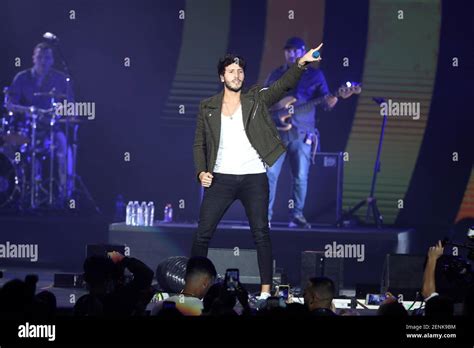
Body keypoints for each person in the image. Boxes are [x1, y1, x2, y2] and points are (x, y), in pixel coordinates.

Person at [192, 44, 324, 299]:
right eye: (231, 71)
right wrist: (201, 173)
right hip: (220, 178)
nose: (237, 75)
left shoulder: (255, 99)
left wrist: (302, 63)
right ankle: (193, 287)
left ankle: (265, 292)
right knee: (202, 233)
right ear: (222, 76)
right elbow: (199, 143)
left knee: (261, 234)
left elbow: (282, 85)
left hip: (253, 177)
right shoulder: (207, 106)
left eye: (240, 71)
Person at [265, 37, 338, 228]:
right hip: (277, 133)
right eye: (288, 50)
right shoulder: (276, 74)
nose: (291, 54)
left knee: (300, 177)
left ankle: (296, 215)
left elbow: (326, 102)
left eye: (295, 50)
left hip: (302, 133)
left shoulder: (315, 75)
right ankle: (265, 217)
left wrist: (332, 101)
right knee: (269, 175)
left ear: (303, 52)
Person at [6, 42, 74, 203]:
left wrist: (59, 114)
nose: (43, 61)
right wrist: (29, 112)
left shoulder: (60, 79)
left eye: (47, 57)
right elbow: (10, 105)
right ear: (33, 58)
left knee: (65, 151)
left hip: (52, 128)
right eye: (40, 57)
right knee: (8, 147)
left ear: (52, 60)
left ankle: (66, 195)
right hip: (26, 129)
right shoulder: (22, 77)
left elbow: (70, 106)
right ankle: (15, 192)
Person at [151, 256, 217, 316]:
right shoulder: (205, 311)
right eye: (211, 283)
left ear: (185, 277)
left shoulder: (159, 306)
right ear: (206, 282)